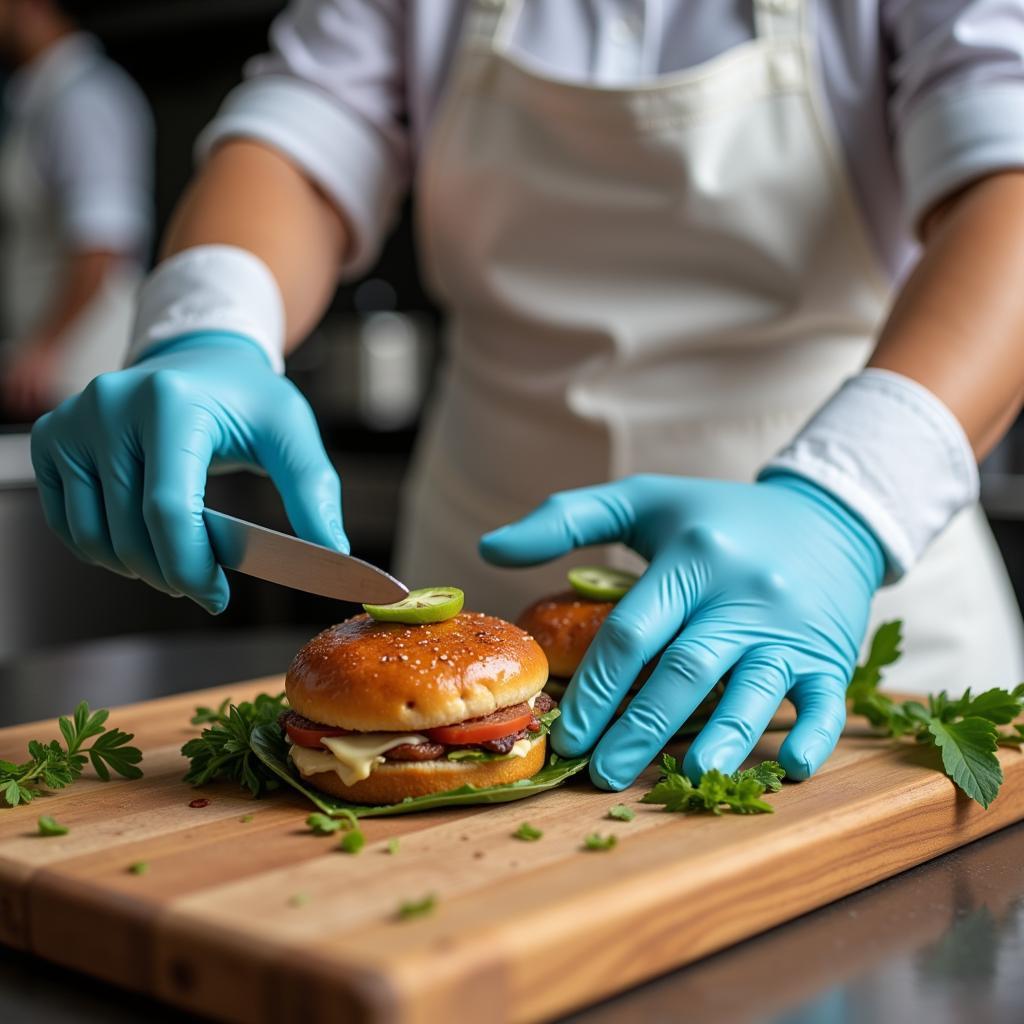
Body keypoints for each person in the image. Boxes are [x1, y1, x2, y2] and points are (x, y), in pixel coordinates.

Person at [28, 0, 1024, 792]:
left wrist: (843, 506)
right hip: (472, 586)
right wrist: (207, 324)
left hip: (858, 634)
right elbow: (303, 128)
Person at [0, 0, 152, 422]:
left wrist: (44, 346)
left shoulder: (84, 99)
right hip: (54, 380)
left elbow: (104, 240)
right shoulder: (36, 100)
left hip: (87, 375)